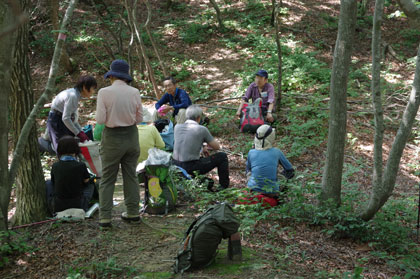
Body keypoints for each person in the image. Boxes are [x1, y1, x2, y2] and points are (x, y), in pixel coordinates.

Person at [96, 59, 143, 227]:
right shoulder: (135, 92)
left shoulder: (104, 92)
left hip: (112, 138)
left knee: (108, 177)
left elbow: (100, 119)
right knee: (131, 175)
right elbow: (139, 118)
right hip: (131, 136)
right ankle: (133, 213)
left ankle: (105, 217)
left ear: (112, 76)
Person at [172, 105, 229, 191]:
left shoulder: (177, 127)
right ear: (199, 118)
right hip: (191, 166)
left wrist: (202, 147)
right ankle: (223, 186)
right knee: (222, 156)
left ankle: (197, 180)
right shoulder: (201, 129)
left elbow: (186, 141)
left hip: (175, 165)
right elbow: (216, 147)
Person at [47, 75, 97, 151]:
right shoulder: (73, 96)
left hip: (61, 119)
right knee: (62, 149)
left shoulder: (76, 95)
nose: (93, 91)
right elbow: (66, 118)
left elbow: (72, 118)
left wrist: (81, 131)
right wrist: (78, 133)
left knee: (69, 147)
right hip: (56, 120)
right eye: (93, 89)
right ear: (84, 87)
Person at [46, 136, 94, 214]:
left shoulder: (55, 166)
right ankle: (87, 204)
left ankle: (50, 206)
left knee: (48, 183)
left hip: (58, 205)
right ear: (76, 149)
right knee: (91, 185)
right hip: (78, 204)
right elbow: (86, 181)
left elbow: (53, 182)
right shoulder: (81, 165)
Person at [246, 125, 294, 197]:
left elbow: (248, 170)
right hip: (272, 191)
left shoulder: (251, 152)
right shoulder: (276, 152)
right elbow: (290, 170)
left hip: (252, 189)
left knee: (250, 174)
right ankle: (280, 199)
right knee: (284, 177)